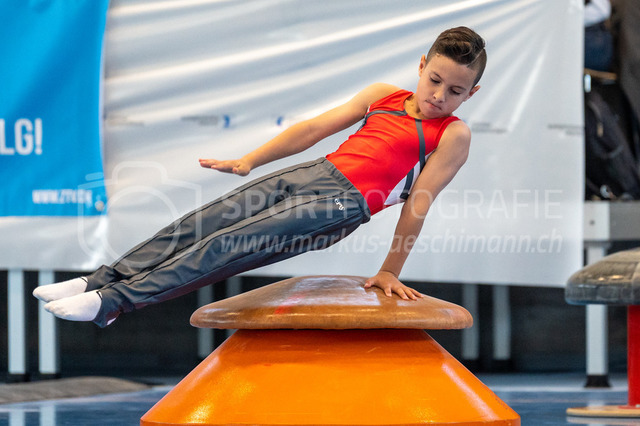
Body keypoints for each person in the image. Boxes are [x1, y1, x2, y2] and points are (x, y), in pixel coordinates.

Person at [34, 26, 486, 327]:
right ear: (421, 64)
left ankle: (112, 303)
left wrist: (389, 270)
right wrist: (250, 160)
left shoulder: (453, 134)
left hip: (341, 206)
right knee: (198, 224)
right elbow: (312, 130)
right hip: (315, 171)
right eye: (434, 80)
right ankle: (98, 281)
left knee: (226, 245)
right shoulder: (384, 95)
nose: (438, 96)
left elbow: (418, 203)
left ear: (472, 93)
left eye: (455, 91)